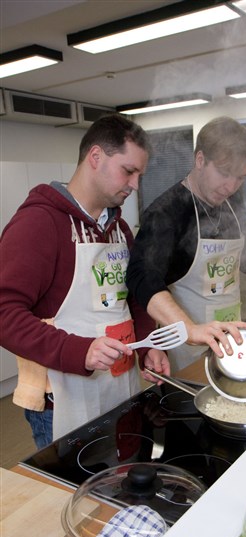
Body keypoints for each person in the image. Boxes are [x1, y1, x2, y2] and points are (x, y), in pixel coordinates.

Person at [0, 114, 170, 448]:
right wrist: (78, 350)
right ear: (96, 158)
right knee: (72, 493)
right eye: (129, 171)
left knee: (116, 484)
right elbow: (4, 312)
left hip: (119, 386)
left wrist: (148, 344)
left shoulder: (118, 228)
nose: (135, 185)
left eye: (140, 174)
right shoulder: (40, 223)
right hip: (63, 399)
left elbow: (132, 297)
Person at [127, 116, 246, 371]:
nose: (231, 186)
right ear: (200, 160)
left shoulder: (232, 204)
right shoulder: (167, 212)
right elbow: (141, 277)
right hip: (185, 350)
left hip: (231, 339)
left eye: (240, 177)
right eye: (224, 173)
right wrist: (189, 329)